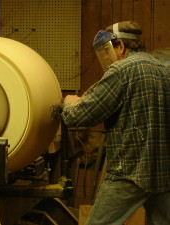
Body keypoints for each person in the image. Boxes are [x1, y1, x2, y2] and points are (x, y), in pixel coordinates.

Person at [61, 21, 170, 225]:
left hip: (130, 173)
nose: (107, 59)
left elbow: (79, 116)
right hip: (164, 174)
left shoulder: (122, 71)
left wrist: (69, 104)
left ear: (120, 45)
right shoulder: (164, 71)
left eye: (106, 52)